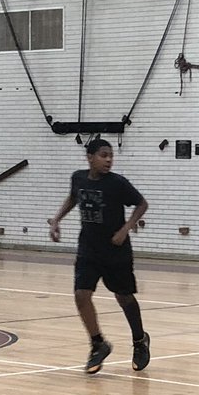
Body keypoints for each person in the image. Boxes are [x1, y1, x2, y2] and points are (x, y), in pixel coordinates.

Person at [48, 137, 151, 375]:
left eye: (111, 155)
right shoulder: (78, 178)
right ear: (90, 157)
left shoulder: (117, 183)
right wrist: (56, 219)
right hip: (88, 249)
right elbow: (74, 197)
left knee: (124, 297)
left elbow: (141, 204)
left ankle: (139, 340)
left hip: (116, 250)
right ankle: (98, 343)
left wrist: (126, 229)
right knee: (81, 295)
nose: (108, 160)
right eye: (103, 155)